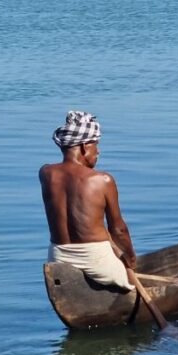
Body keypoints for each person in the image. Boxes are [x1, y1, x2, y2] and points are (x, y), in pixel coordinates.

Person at [40, 110, 136, 291]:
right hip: (96, 261)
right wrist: (130, 259)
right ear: (84, 146)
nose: (98, 151)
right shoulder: (103, 180)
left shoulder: (45, 173)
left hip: (58, 258)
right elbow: (118, 229)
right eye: (96, 145)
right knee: (132, 282)